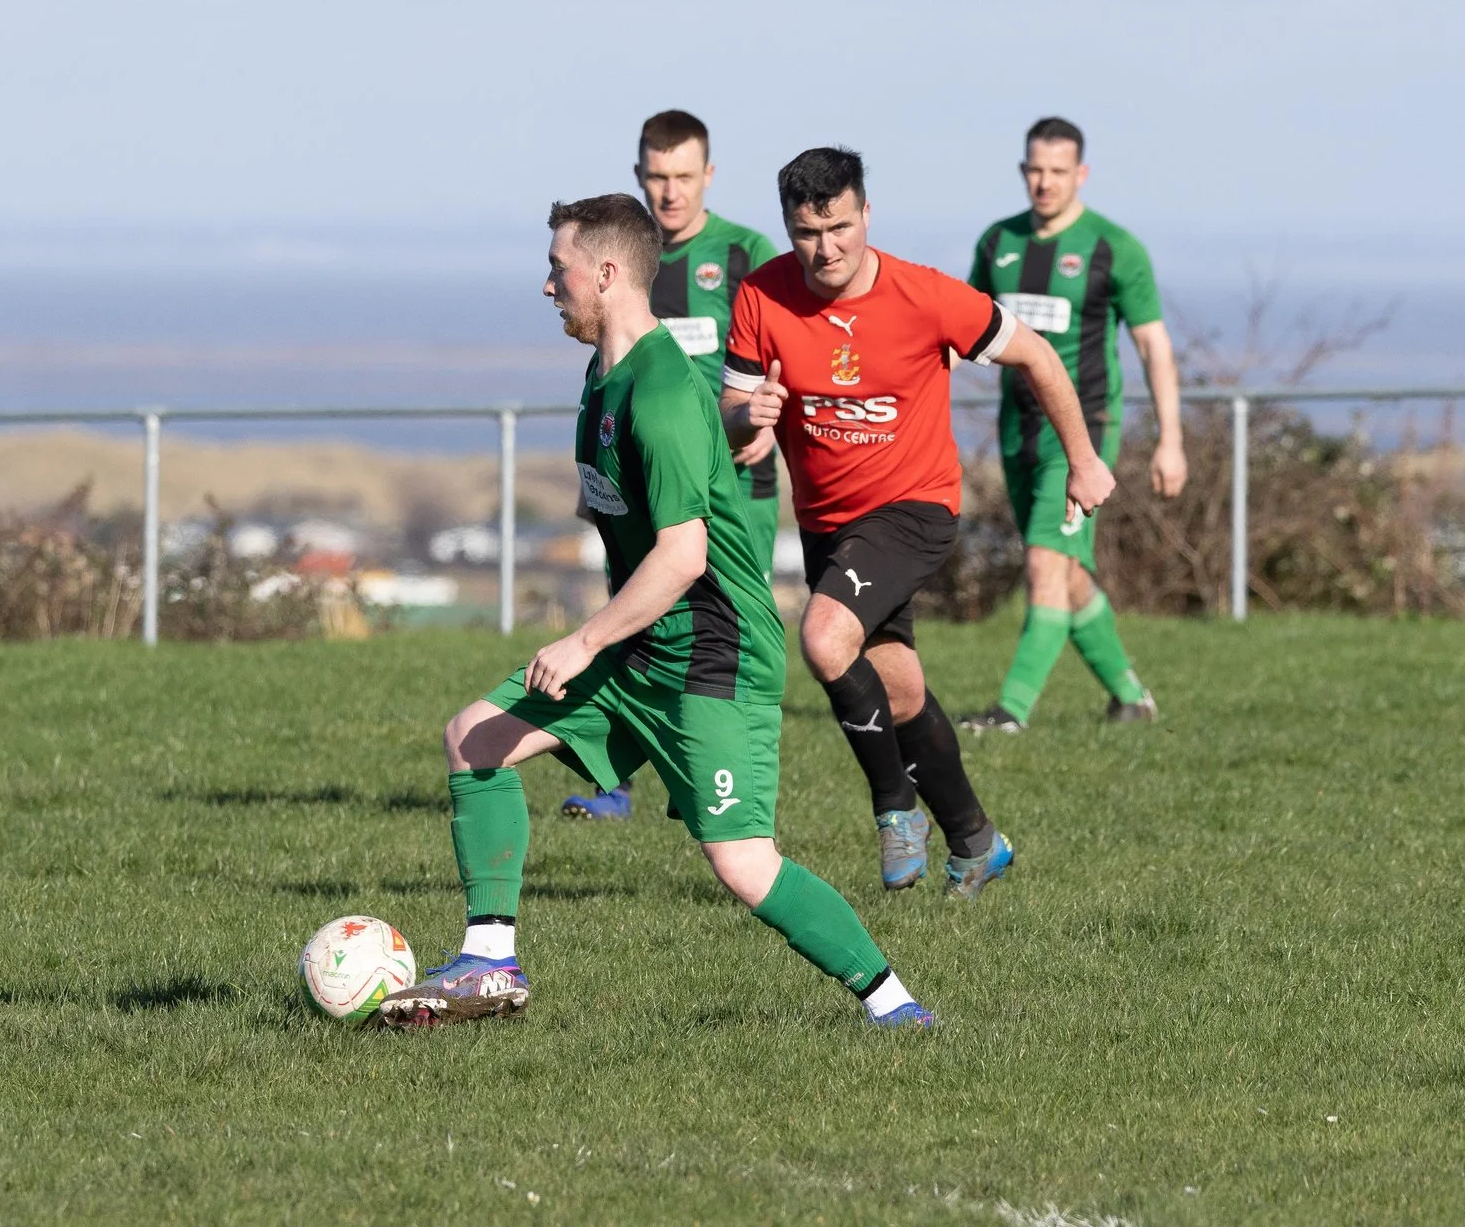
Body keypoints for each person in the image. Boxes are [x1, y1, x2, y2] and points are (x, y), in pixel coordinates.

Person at [378, 194, 933, 1030]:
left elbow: (684, 555)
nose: (546, 285)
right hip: (643, 645)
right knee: (475, 737)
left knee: (743, 865)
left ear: (606, 273)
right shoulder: (605, 371)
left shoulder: (662, 390)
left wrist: (582, 639)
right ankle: (491, 961)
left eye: (558, 268)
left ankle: (896, 1008)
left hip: (713, 653)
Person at [720, 148, 1114, 897]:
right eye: (807, 232)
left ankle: (896, 807)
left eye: (839, 227)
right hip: (827, 521)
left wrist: (1084, 460)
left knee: (823, 637)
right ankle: (976, 839)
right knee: (897, 693)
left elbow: (1037, 356)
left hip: (914, 508)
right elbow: (734, 422)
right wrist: (749, 417)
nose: (825, 247)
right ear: (788, 227)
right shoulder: (760, 296)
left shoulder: (928, 296)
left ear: (867, 214)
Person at [562, 110, 782, 824]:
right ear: (638, 177)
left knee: (722, 624)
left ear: (708, 176)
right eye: (656, 177)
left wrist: (764, 416)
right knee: (632, 600)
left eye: (683, 177)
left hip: (730, 471)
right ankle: (616, 783)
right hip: (639, 472)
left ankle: (727, 787)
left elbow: (783, 355)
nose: (669, 192)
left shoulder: (746, 253)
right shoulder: (623, 258)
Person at [958, 118, 1186, 734]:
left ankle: (1010, 714)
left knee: (1041, 561)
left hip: (1083, 434)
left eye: (1058, 171)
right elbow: (961, 330)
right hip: (1017, 430)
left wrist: (1171, 440)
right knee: (1066, 570)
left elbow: (1154, 347)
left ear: (1081, 174)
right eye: (1035, 169)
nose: (1045, 182)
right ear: (1022, 170)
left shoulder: (1114, 248)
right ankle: (1131, 698)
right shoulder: (997, 243)